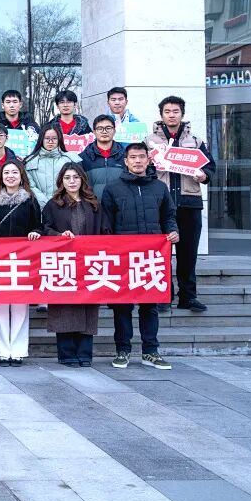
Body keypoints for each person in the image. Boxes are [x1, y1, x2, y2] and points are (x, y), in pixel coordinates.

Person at [101, 142, 180, 370]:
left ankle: (150, 351)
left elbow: (169, 216)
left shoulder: (159, 188)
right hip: (123, 257)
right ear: (125, 161)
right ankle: (122, 350)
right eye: (133, 157)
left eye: (141, 157)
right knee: (122, 306)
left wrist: (173, 231)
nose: (137, 161)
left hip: (151, 257)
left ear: (148, 160)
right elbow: (106, 223)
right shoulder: (113, 188)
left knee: (149, 305)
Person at [145, 95, 216, 312]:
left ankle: (188, 297)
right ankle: (163, 297)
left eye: (175, 111)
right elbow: (141, 169)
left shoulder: (195, 141)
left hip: (189, 204)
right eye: (167, 112)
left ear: (182, 114)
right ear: (161, 115)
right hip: (160, 206)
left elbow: (210, 167)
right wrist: (150, 166)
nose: (171, 115)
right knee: (162, 254)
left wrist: (204, 175)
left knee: (188, 254)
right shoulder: (149, 142)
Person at [42, 163, 108, 367]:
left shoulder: (94, 204)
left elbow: (105, 230)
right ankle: (66, 353)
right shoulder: (53, 205)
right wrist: (59, 235)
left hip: (89, 262)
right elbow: (45, 229)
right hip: (64, 262)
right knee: (64, 308)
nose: (72, 181)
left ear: (82, 180)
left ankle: (85, 353)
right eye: (67, 178)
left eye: (75, 177)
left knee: (88, 307)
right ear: (61, 181)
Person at [0, 159, 42, 366]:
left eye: (15, 172)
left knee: (20, 305)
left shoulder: (30, 200)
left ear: (21, 175)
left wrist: (35, 232)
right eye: (6, 173)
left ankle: (18, 351)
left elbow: (38, 225)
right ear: (1, 177)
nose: (10, 176)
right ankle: (1, 350)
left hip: (22, 260)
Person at [25, 123, 79, 208]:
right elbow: (30, 186)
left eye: (54, 138)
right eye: (47, 138)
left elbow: (77, 184)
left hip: (66, 207)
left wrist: (61, 202)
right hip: (38, 208)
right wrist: (45, 204)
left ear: (59, 139)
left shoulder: (71, 159)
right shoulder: (29, 162)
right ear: (41, 139)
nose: (50, 142)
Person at [79, 114, 125, 201]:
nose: (104, 131)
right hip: (93, 206)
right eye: (100, 128)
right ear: (94, 132)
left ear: (114, 131)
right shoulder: (83, 158)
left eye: (108, 128)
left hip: (120, 206)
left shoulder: (125, 156)